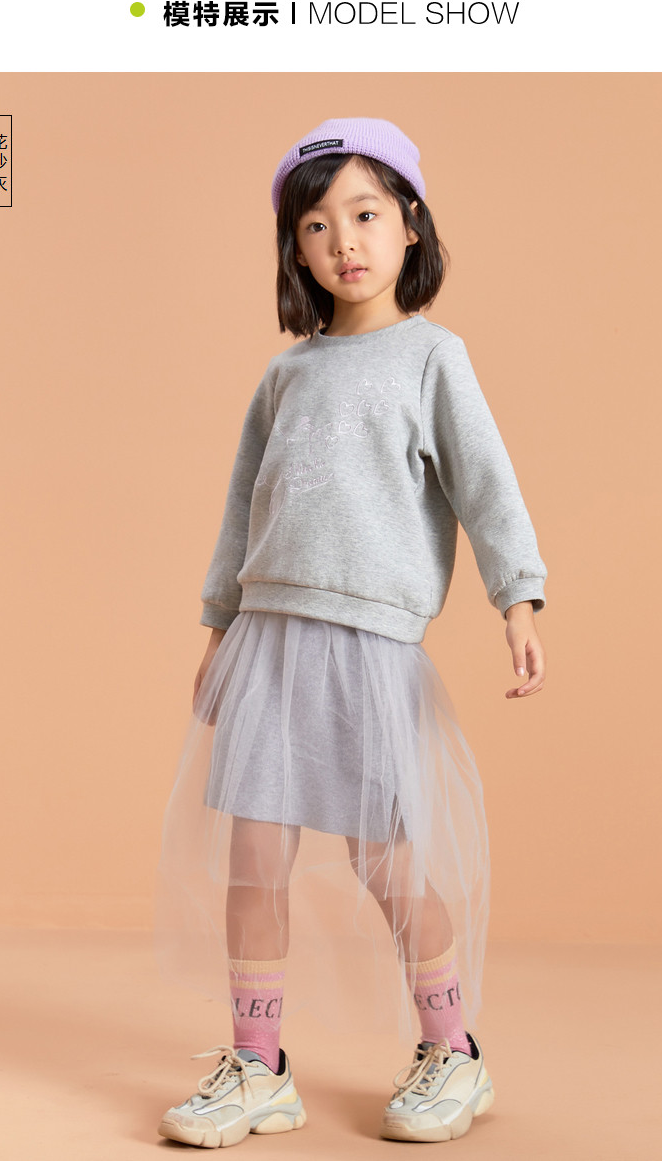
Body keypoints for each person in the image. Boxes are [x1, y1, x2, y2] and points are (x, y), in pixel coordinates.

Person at [156, 117, 547, 1148]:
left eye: (366, 214)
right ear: (296, 249)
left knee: (390, 861)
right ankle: (258, 1064)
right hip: (269, 642)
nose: (345, 242)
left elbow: (487, 485)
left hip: (370, 650)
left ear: (411, 225)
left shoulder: (432, 358)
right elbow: (243, 510)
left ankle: (452, 1048)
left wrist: (519, 597)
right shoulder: (286, 375)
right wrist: (219, 628)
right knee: (254, 858)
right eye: (317, 225)